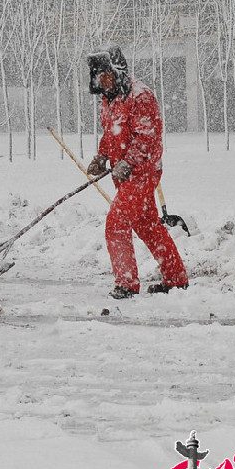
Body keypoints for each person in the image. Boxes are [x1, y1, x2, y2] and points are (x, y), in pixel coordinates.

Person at [86, 45, 188, 299]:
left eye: (106, 74)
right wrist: (102, 156)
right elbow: (112, 134)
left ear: (118, 72)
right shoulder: (109, 100)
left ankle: (127, 284)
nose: (103, 80)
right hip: (124, 175)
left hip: (142, 173)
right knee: (147, 224)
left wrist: (128, 163)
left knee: (116, 223)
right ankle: (175, 278)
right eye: (99, 76)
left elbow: (147, 138)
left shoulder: (140, 97)